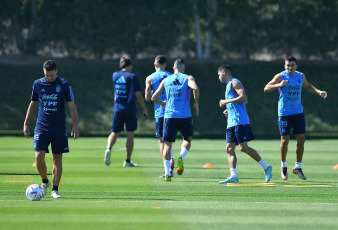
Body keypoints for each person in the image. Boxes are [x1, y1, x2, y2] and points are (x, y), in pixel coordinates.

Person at [264, 56, 327, 180]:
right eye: (288, 65)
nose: (290, 67)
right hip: (284, 113)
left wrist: (319, 92)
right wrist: (279, 84)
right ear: (284, 66)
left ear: (296, 66)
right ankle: (284, 166)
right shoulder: (280, 76)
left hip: (298, 112)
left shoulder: (300, 76)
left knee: (301, 139)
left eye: (292, 65)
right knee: (284, 141)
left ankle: (297, 167)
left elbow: (307, 86)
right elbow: (266, 88)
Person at [23, 60, 79, 198]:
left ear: (56, 71)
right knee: (38, 157)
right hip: (42, 127)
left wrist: (76, 125)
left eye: (52, 75)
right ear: (44, 72)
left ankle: (55, 189)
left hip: (59, 128)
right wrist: (26, 123)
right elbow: (33, 104)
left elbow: (71, 105)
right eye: (47, 75)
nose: (49, 78)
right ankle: (45, 181)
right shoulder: (38, 84)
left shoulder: (64, 84)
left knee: (57, 159)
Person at [218, 64, 272, 184]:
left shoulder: (235, 82)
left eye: (218, 75)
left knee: (243, 147)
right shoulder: (228, 86)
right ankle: (233, 175)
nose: (218, 78)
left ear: (223, 73)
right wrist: (229, 108)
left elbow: (244, 98)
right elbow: (238, 101)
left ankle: (266, 167)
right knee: (229, 148)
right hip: (231, 122)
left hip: (240, 121)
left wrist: (226, 101)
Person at [152, 59, 199, 181]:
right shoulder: (188, 78)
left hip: (169, 117)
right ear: (184, 69)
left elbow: (153, 97)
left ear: (173, 68)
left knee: (167, 145)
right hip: (184, 116)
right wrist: (197, 104)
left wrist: (163, 104)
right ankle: (181, 157)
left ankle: (167, 173)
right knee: (187, 140)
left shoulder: (166, 80)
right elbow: (195, 88)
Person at [104, 56, 148, 167]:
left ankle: (108, 149)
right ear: (130, 65)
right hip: (130, 109)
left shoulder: (115, 75)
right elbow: (138, 95)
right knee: (130, 135)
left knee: (114, 132)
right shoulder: (133, 77)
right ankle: (127, 161)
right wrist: (145, 108)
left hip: (117, 109)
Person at [145, 55, 175, 178]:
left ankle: (167, 170)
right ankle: (171, 158)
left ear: (155, 64)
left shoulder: (150, 78)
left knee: (161, 142)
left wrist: (152, 93)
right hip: (173, 113)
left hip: (160, 113)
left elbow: (147, 98)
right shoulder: (171, 76)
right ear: (166, 65)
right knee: (169, 140)